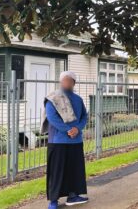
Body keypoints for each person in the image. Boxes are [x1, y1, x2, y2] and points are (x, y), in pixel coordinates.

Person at [42, 71, 89, 209]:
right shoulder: (53, 98)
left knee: (74, 170)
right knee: (57, 172)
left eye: (69, 81)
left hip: (76, 141)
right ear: (60, 82)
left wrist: (78, 129)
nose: (67, 83)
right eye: (64, 80)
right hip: (58, 141)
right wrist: (68, 129)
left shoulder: (78, 99)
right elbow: (52, 117)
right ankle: (53, 201)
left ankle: (73, 195)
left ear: (74, 83)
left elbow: (84, 117)